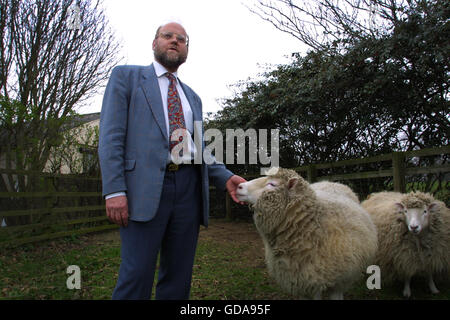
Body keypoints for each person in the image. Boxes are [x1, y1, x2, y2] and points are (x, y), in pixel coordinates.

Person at [98, 22, 246, 300]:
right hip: (143, 189)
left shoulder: (193, 98)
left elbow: (197, 148)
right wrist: (115, 190)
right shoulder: (126, 77)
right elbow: (110, 137)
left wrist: (225, 176)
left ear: (187, 49)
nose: (175, 41)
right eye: (168, 36)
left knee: (178, 279)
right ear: (154, 43)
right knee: (136, 276)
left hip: (188, 190)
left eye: (182, 39)